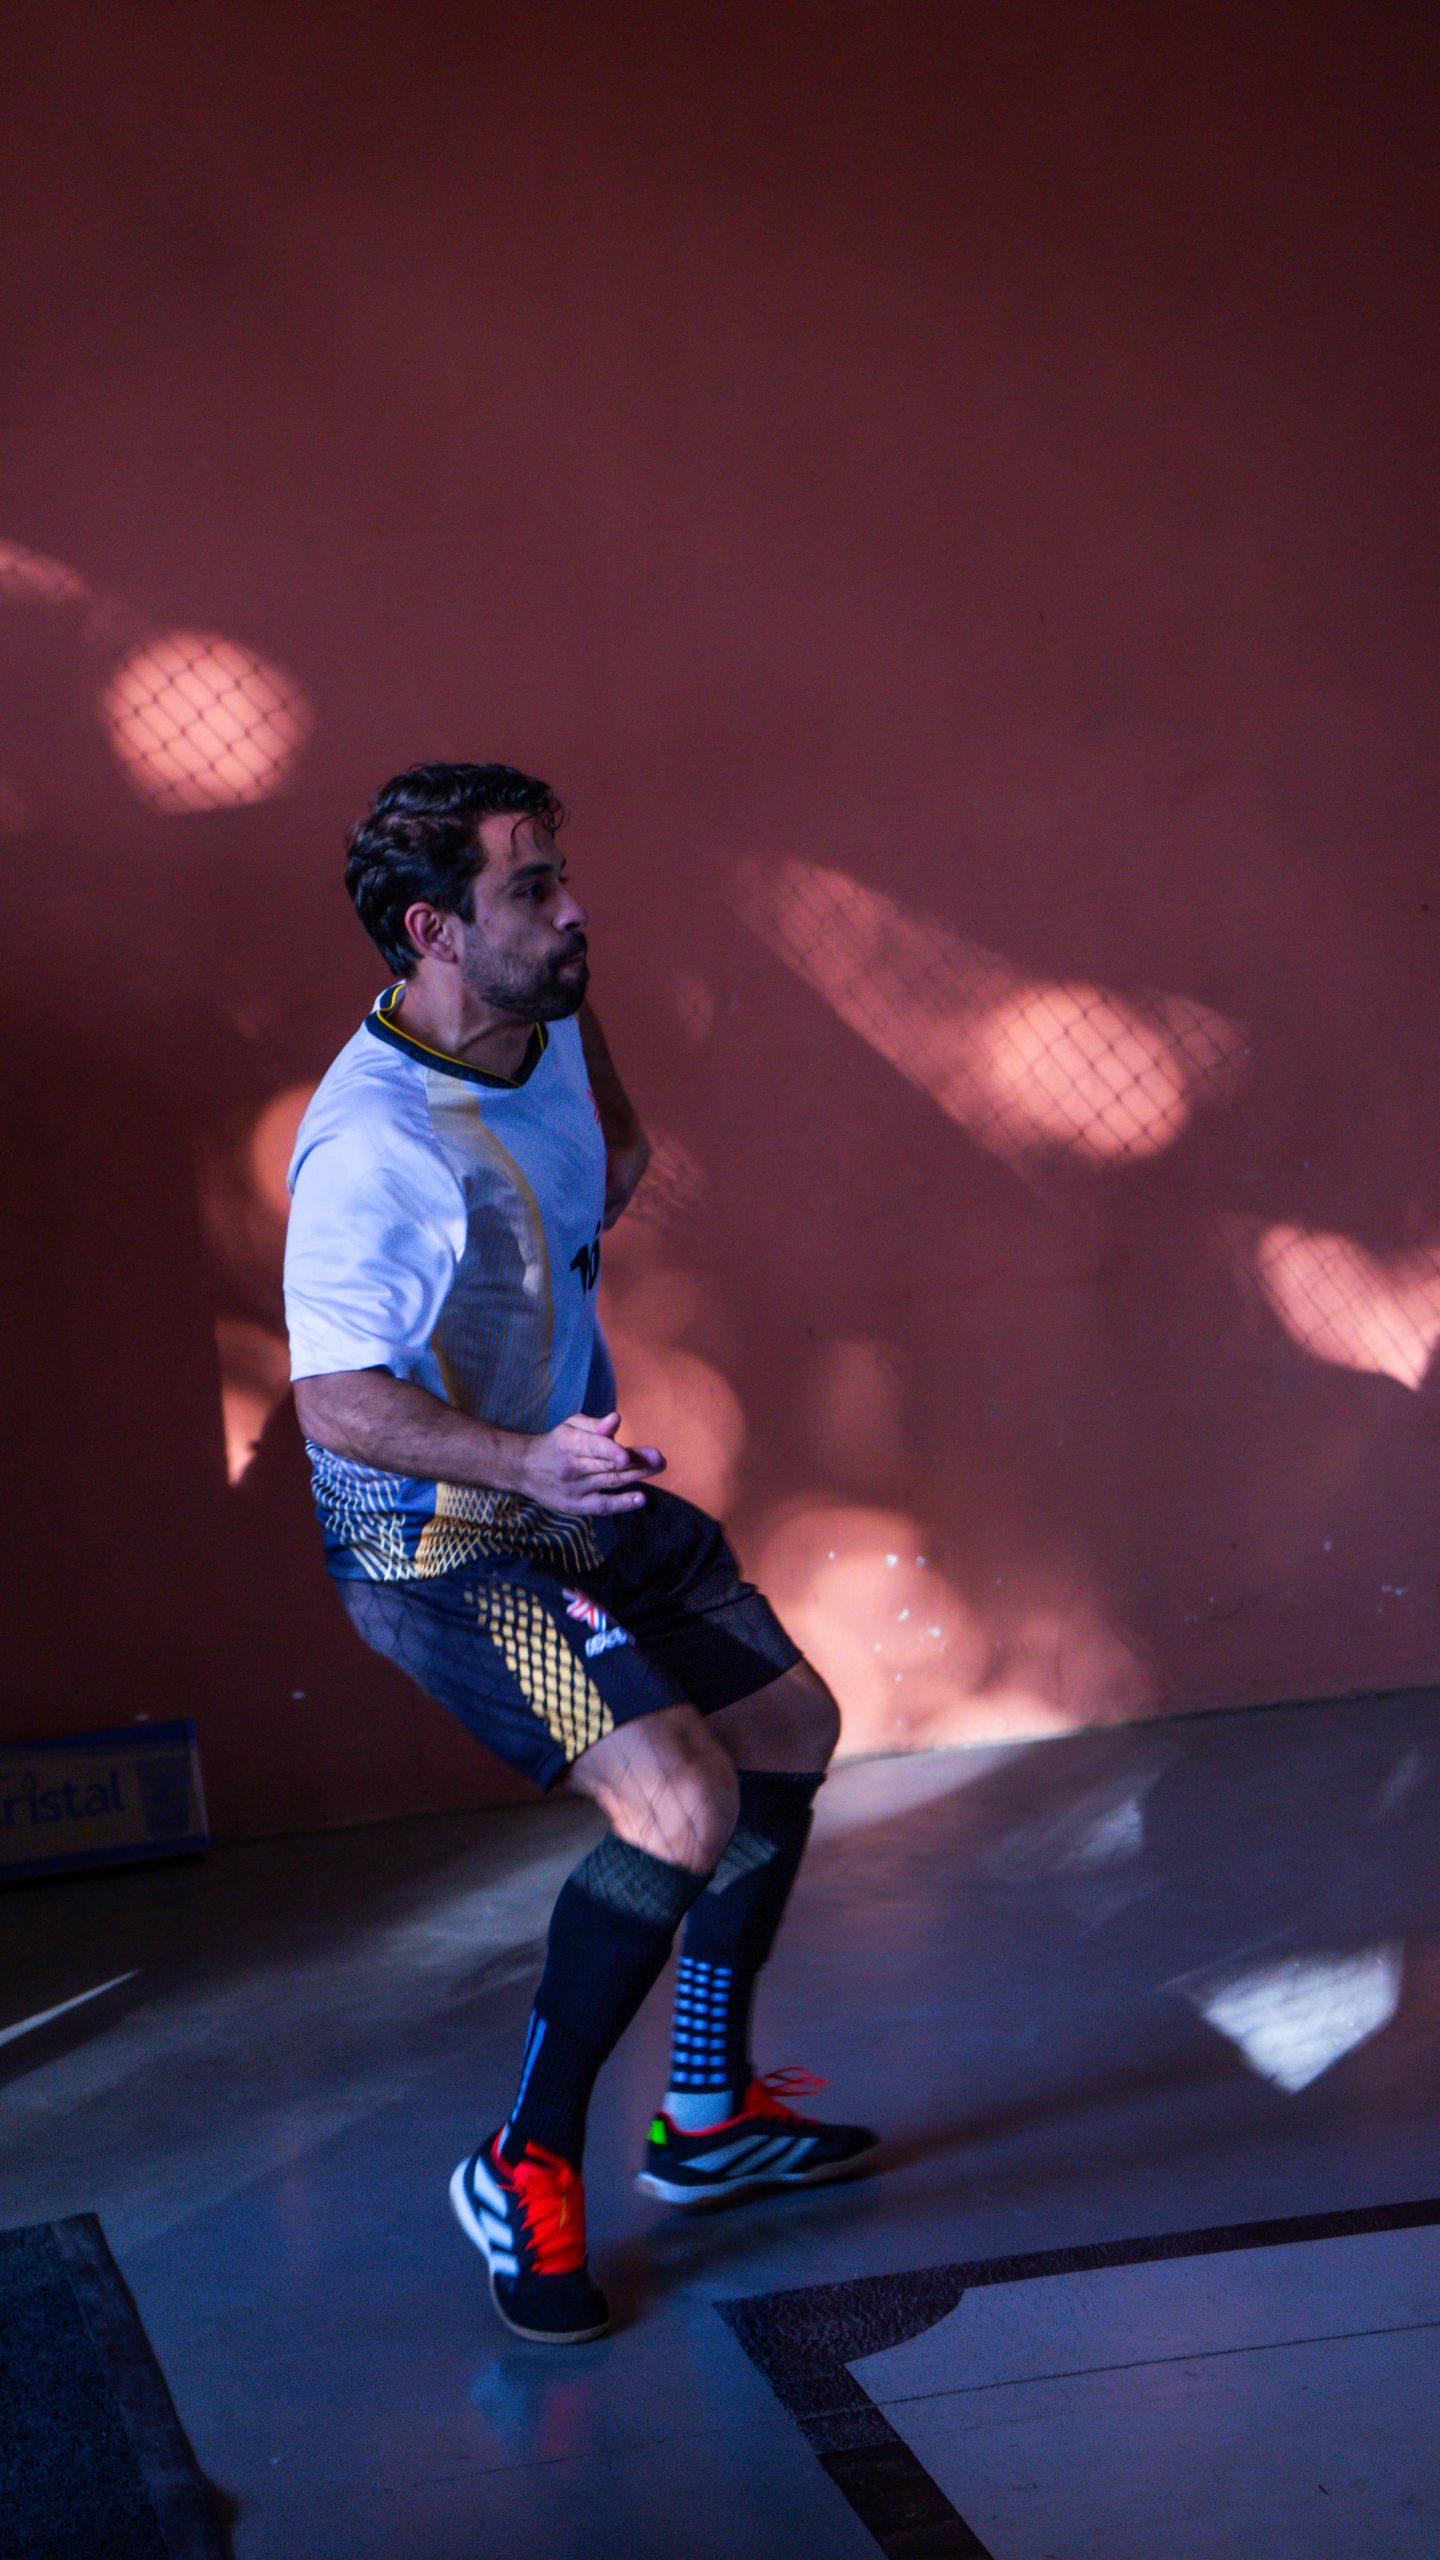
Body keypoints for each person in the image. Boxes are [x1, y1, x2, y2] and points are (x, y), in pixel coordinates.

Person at [283, 762, 877, 2345]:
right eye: (532, 891)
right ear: (436, 930)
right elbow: (335, 1401)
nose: (573, 912)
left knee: (785, 1729)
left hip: (566, 1492)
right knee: (677, 1802)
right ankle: (525, 2162)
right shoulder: (374, 1146)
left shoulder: (540, 1021)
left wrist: (569, 994)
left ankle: (707, 2114)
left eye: (561, 877)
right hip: (439, 1543)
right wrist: (523, 1460)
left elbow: (606, 1168)